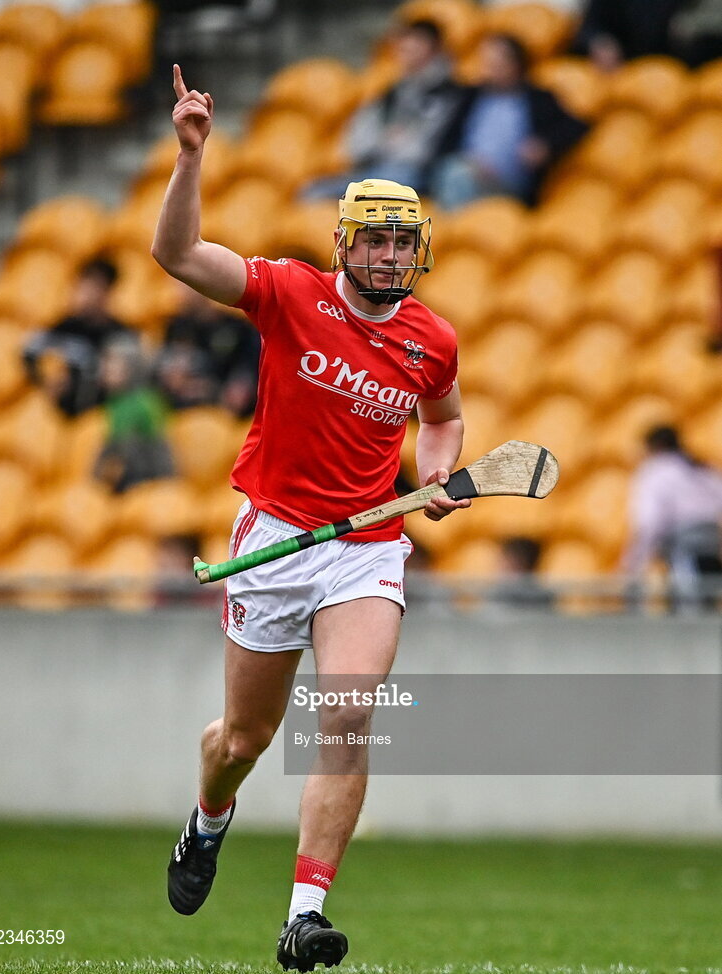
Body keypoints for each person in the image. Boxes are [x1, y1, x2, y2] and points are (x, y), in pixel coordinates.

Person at [151, 65, 470, 972]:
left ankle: (304, 914)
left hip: (365, 547)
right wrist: (189, 156)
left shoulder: (431, 338)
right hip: (276, 539)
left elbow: (441, 418)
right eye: (374, 241)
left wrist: (436, 475)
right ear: (344, 245)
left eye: (402, 243)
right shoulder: (289, 293)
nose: (388, 257)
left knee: (348, 715)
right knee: (242, 740)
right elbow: (178, 257)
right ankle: (209, 817)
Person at [302, 19, 459, 199]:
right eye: (404, 47)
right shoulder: (392, 91)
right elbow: (356, 143)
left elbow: (424, 150)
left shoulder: (449, 93)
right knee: (314, 191)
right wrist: (384, 143)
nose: (406, 53)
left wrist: (387, 143)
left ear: (433, 49)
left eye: (415, 46)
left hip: (415, 175)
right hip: (377, 168)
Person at [429, 33, 588, 209]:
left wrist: (545, 145)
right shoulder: (471, 95)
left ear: (514, 65)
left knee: (456, 175)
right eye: (486, 63)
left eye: (495, 64)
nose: (487, 70)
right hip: (466, 171)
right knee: (451, 173)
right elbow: (446, 139)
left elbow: (577, 126)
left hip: (508, 187)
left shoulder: (538, 99)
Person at [622, 425, 722, 611]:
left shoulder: (655, 472)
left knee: (690, 614)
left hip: (685, 555)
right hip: (712, 554)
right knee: (707, 610)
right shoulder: (702, 469)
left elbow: (649, 522)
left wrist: (634, 561)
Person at [22, 258, 135, 417]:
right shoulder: (65, 325)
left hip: (99, 414)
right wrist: (47, 381)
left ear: (107, 292)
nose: (87, 293)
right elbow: (30, 350)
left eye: (95, 287)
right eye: (84, 285)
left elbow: (124, 381)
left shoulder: (120, 334)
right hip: (60, 412)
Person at [155, 280, 260, 416]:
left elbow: (248, 369)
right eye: (178, 285)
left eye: (185, 285)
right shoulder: (176, 326)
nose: (180, 293)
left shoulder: (237, 328)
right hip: (182, 409)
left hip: (226, 408)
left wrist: (237, 385)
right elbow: (167, 373)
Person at [93, 338, 175, 494]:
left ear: (132, 368)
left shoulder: (146, 403)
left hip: (146, 479)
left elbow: (160, 448)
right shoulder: (114, 403)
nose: (106, 369)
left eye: (114, 363)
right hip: (122, 479)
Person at [486, 536, 556, 612]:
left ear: (516, 563)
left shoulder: (542, 597)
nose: (496, 565)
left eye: (502, 560)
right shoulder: (495, 592)